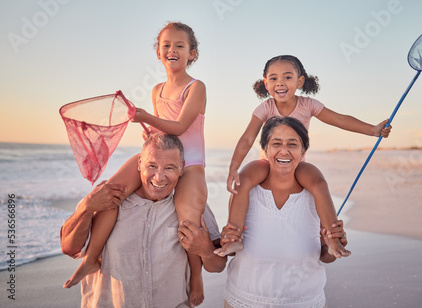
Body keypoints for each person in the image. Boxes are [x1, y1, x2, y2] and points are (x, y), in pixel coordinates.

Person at [63, 21, 208, 307]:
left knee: (189, 220)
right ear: (157, 52)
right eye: (166, 45)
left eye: (180, 45)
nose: (172, 50)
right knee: (112, 192)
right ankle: (91, 259)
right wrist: (150, 132)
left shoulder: (196, 87)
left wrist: (145, 117)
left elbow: (179, 127)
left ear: (192, 53)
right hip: (165, 156)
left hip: (189, 163)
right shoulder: (156, 89)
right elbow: (163, 133)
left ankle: (196, 277)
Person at [216, 55, 391, 258]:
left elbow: (339, 119)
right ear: (265, 83)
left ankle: (332, 238)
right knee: (243, 179)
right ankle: (233, 238)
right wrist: (233, 168)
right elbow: (247, 138)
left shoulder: (308, 105)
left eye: (287, 77)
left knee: (317, 181)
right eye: (273, 78)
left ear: (300, 81)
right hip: (268, 161)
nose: (280, 83)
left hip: (297, 162)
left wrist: (372, 130)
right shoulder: (265, 107)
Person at [60, 133, 227, 307]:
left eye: (169, 168)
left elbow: (218, 266)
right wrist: (85, 207)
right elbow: (69, 248)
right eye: (152, 166)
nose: (159, 177)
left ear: (181, 168)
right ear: (139, 163)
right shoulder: (107, 197)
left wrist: (206, 251)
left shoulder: (192, 205)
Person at [222, 116, 347, 307]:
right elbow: (230, 252)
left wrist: (332, 249)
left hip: (303, 301)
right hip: (243, 299)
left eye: (293, 144)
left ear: (303, 150)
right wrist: (229, 239)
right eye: (276, 143)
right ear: (265, 149)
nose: (284, 151)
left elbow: (325, 256)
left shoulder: (315, 192)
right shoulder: (247, 188)